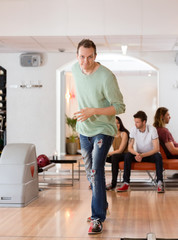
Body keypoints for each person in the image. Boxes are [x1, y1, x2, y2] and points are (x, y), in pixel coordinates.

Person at [72, 39, 125, 235]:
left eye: (90, 57)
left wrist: (94, 110)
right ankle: (102, 205)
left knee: (96, 171)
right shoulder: (74, 69)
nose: (85, 62)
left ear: (96, 56)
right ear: (77, 56)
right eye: (82, 57)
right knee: (90, 174)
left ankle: (97, 218)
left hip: (103, 129)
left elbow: (120, 107)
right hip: (83, 129)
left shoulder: (106, 76)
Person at [116, 110, 164, 193]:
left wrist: (142, 155)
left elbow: (156, 149)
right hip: (138, 155)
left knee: (158, 156)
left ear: (144, 122)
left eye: (137, 122)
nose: (135, 124)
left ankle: (160, 183)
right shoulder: (133, 129)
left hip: (150, 155)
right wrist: (137, 154)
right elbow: (130, 147)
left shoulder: (152, 130)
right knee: (128, 155)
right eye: (135, 122)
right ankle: (126, 183)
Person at [106, 116, 129, 191]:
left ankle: (113, 184)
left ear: (120, 124)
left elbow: (120, 150)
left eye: (118, 123)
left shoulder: (124, 134)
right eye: (114, 123)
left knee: (114, 157)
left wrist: (108, 153)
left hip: (125, 155)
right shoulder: (112, 134)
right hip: (116, 156)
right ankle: (97, 181)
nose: (116, 125)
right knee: (101, 157)